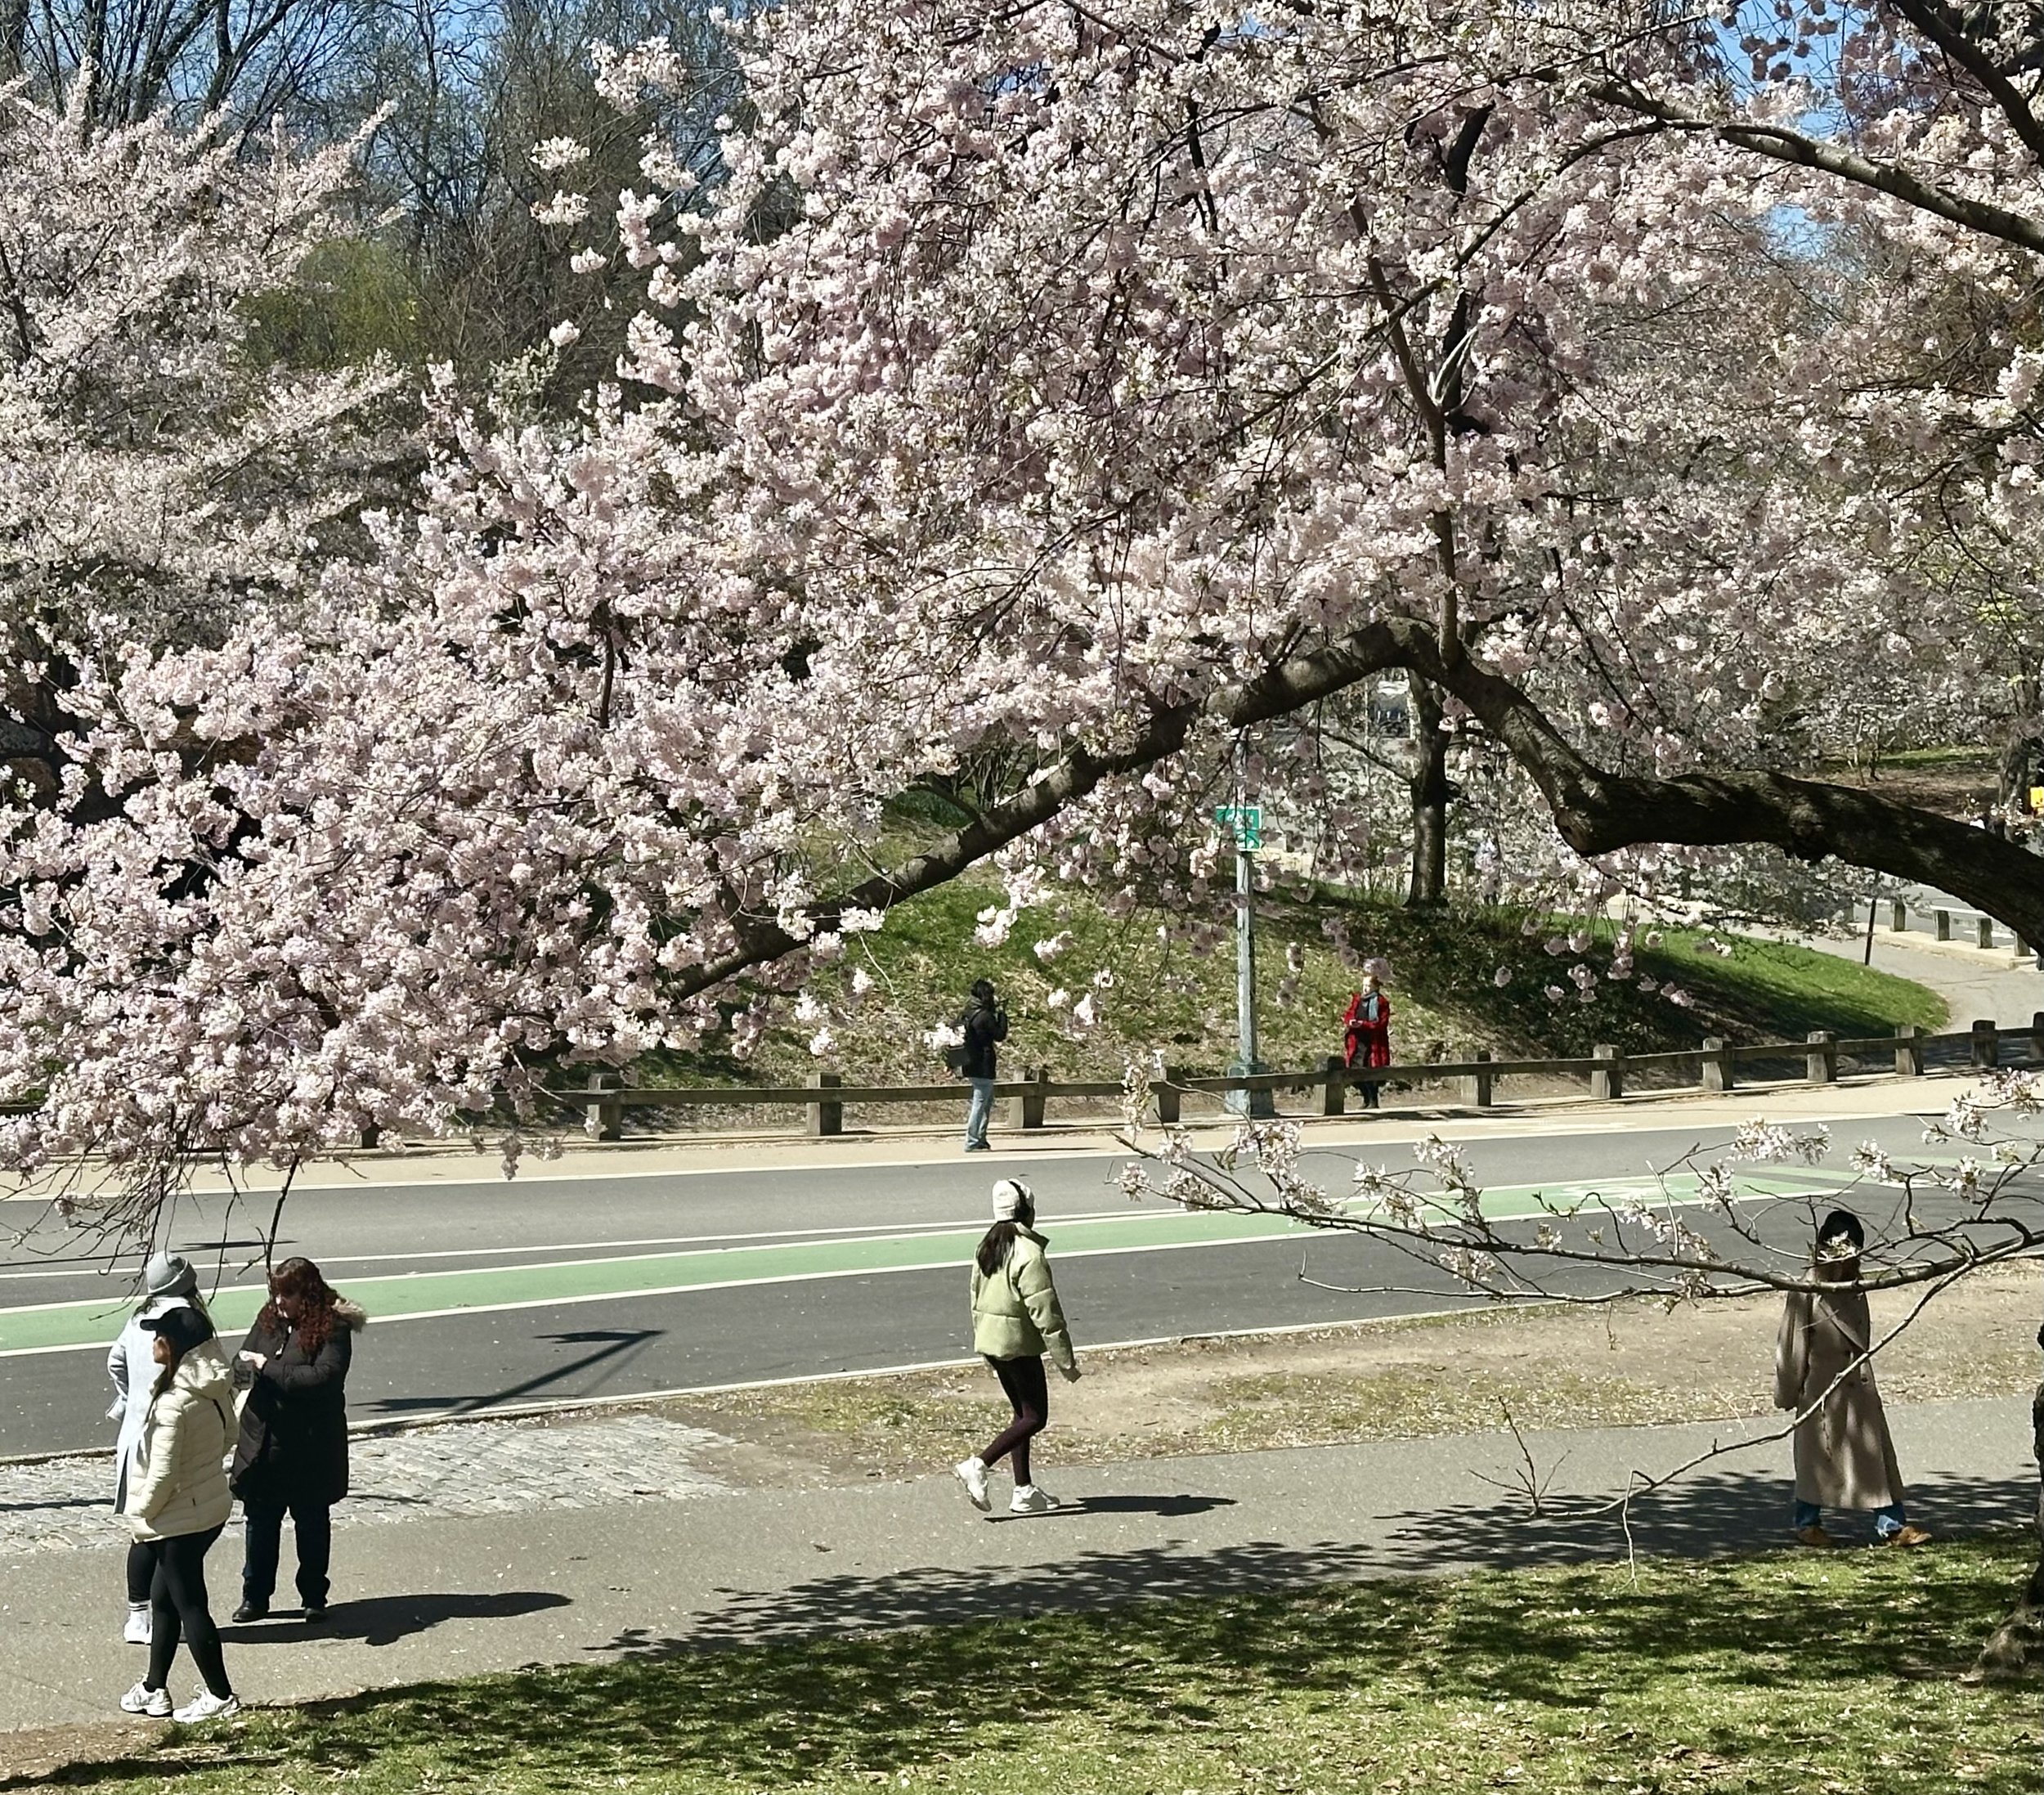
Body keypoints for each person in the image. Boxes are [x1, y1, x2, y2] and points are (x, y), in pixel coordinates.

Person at [1773, 1209, 1930, 1549]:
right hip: (1821, 1387)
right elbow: (1791, 1345)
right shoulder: (1806, 1289)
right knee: (1818, 1460)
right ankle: (1807, 1523)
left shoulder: (1856, 1286)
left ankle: (1892, 1525)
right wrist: (1788, 1392)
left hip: (1857, 1386)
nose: (1848, 1260)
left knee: (1875, 1459)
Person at [229, 1258, 367, 1623]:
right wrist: (242, 1370)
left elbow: (323, 1377)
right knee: (260, 1524)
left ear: (306, 1294)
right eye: (276, 1294)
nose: (279, 1303)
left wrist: (267, 1368)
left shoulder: (332, 1327)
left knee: (310, 1524)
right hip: (263, 1443)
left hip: (309, 1446)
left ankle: (313, 1597)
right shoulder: (269, 1319)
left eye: (286, 1295)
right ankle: (255, 1597)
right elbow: (244, 1360)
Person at [120, 1305, 239, 1722]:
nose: (154, 1342)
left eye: (161, 1336)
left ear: (176, 1346)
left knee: (190, 1604)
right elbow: (230, 1436)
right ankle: (155, 1688)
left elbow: (163, 1472)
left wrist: (140, 1514)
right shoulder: (215, 1387)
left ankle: (220, 1695)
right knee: (163, 1599)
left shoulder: (173, 1404)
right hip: (207, 1507)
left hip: (177, 1519)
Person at [954, 1178, 1078, 1515]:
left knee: (1021, 1415)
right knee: (1036, 1417)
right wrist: (1065, 1360)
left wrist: (983, 1344)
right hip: (1018, 1346)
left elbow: (975, 1297)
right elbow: (1046, 1311)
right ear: (1026, 1212)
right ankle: (979, 1464)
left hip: (994, 1343)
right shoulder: (1029, 1253)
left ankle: (1023, 1490)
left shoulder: (988, 1246)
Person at [108, 1253, 212, 1646]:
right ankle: (168, 1613)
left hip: (136, 1434)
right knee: (164, 1533)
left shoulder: (141, 1315)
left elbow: (115, 1361)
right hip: (172, 1437)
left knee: (142, 1531)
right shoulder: (188, 1319)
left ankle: (138, 1616)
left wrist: (129, 1402)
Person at [957, 977, 1009, 1152]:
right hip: (984, 1063)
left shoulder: (967, 1013)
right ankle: (972, 1140)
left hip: (969, 1061)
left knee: (986, 1101)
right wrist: (1002, 1015)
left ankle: (981, 1137)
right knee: (980, 1102)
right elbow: (999, 1035)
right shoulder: (985, 1016)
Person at [1341, 972, 1392, 1109]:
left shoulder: (1382, 1002)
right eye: (1364, 985)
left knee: (1372, 1071)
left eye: (1368, 986)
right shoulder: (1358, 999)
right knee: (1354, 1070)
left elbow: (1381, 1023)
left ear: (1375, 987)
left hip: (1374, 1042)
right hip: (1357, 1041)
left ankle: (1373, 1100)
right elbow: (1349, 1013)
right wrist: (1350, 1021)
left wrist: (1363, 1024)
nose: (1365, 988)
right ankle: (1365, 1098)